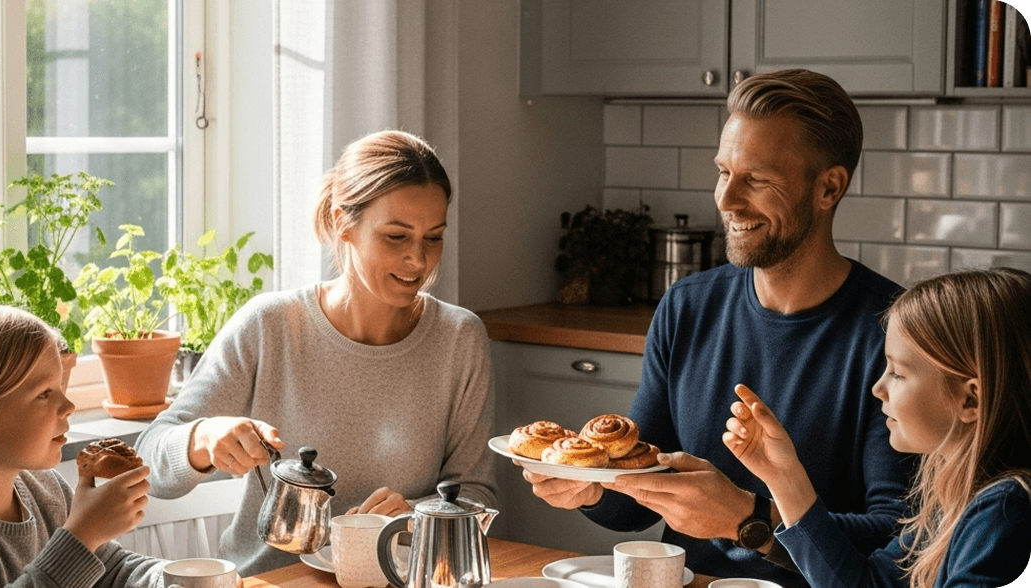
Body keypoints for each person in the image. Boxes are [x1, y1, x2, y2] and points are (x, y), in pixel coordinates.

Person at [521, 69, 915, 587]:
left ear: (829, 187)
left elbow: (895, 539)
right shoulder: (687, 308)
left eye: (756, 179)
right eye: (723, 172)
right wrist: (589, 487)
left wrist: (745, 519)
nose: (727, 200)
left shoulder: (897, 332)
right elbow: (641, 492)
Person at [135, 129, 497, 576]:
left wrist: (414, 518)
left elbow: (478, 495)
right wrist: (202, 438)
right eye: (397, 237)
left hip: (394, 582)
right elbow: (148, 458)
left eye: (434, 238)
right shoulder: (271, 325)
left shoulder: (459, 339)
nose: (419, 261)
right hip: (270, 581)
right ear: (345, 225)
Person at [724, 267, 1031, 588]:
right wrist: (783, 476)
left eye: (898, 373)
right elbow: (868, 583)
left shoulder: (1005, 512)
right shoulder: (955, 499)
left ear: (970, 400)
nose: (878, 388)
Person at [0, 304, 163, 588]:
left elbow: (112, 571)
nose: (68, 406)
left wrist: (180, 579)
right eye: (44, 394)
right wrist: (83, 534)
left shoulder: (45, 489)